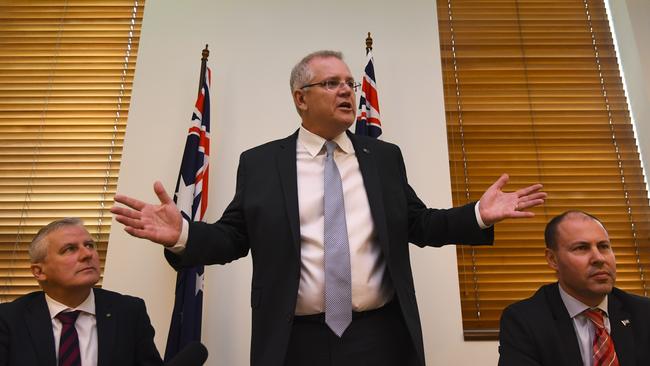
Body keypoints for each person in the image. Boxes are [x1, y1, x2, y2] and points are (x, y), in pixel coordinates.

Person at [111, 50, 546, 366]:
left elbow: (420, 223)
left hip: (381, 335)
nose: (347, 91)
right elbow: (232, 237)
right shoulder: (262, 163)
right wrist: (183, 235)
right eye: (332, 83)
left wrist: (477, 215)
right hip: (293, 339)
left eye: (351, 84)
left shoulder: (384, 158)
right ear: (301, 98)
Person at [0, 218, 163, 366]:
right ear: (39, 272)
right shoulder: (9, 319)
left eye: (89, 245)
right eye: (70, 249)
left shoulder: (129, 312)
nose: (87, 254)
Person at [498, 210, 650, 366]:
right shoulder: (525, 320)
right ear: (552, 259)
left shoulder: (644, 313)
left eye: (603, 246)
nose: (599, 258)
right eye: (581, 248)